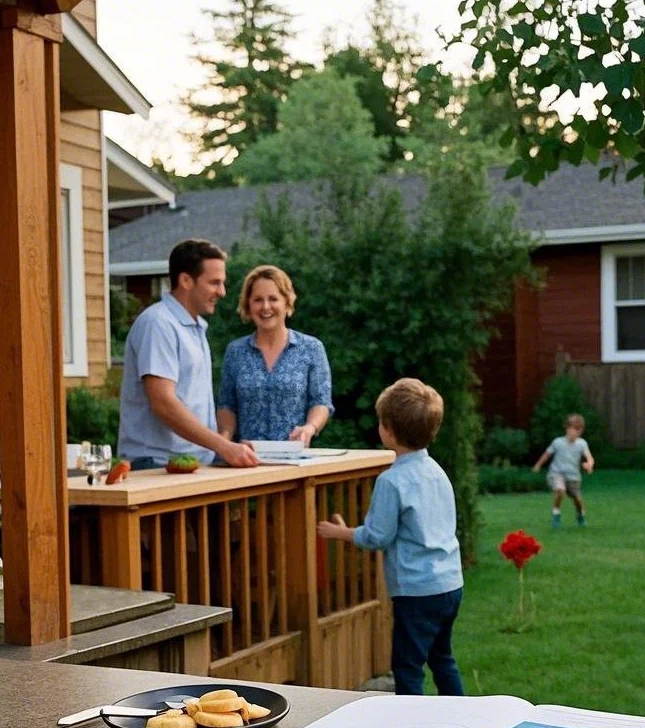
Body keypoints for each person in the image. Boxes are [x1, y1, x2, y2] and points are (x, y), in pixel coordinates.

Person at [316, 378, 465, 696]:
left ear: (388, 431)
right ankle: (462, 720)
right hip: (450, 584)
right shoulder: (437, 471)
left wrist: (340, 532)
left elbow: (377, 537)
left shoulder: (392, 481)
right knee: (442, 659)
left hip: (417, 592)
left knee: (407, 667)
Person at [118, 239, 258, 469]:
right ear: (185, 280)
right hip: (157, 467)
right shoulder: (158, 324)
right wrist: (223, 447)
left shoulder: (195, 327)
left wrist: (222, 447)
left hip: (189, 466)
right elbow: (163, 403)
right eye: (214, 283)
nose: (222, 292)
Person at [216, 265, 332, 447]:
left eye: (273, 299)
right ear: (248, 305)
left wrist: (310, 427)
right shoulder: (235, 351)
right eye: (257, 300)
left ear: (287, 302)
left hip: (294, 459)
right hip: (246, 459)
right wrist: (224, 439)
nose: (265, 307)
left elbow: (321, 402)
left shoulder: (311, 348)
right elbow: (226, 405)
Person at [532, 413, 595, 527]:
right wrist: (538, 465)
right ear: (567, 428)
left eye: (579, 430)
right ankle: (556, 514)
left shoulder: (582, 443)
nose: (576, 432)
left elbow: (589, 457)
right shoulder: (558, 442)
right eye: (574, 429)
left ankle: (580, 514)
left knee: (577, 499)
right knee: (560, 490)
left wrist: (589, 465)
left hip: (573, 476)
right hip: (557, 473)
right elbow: (547, 454)